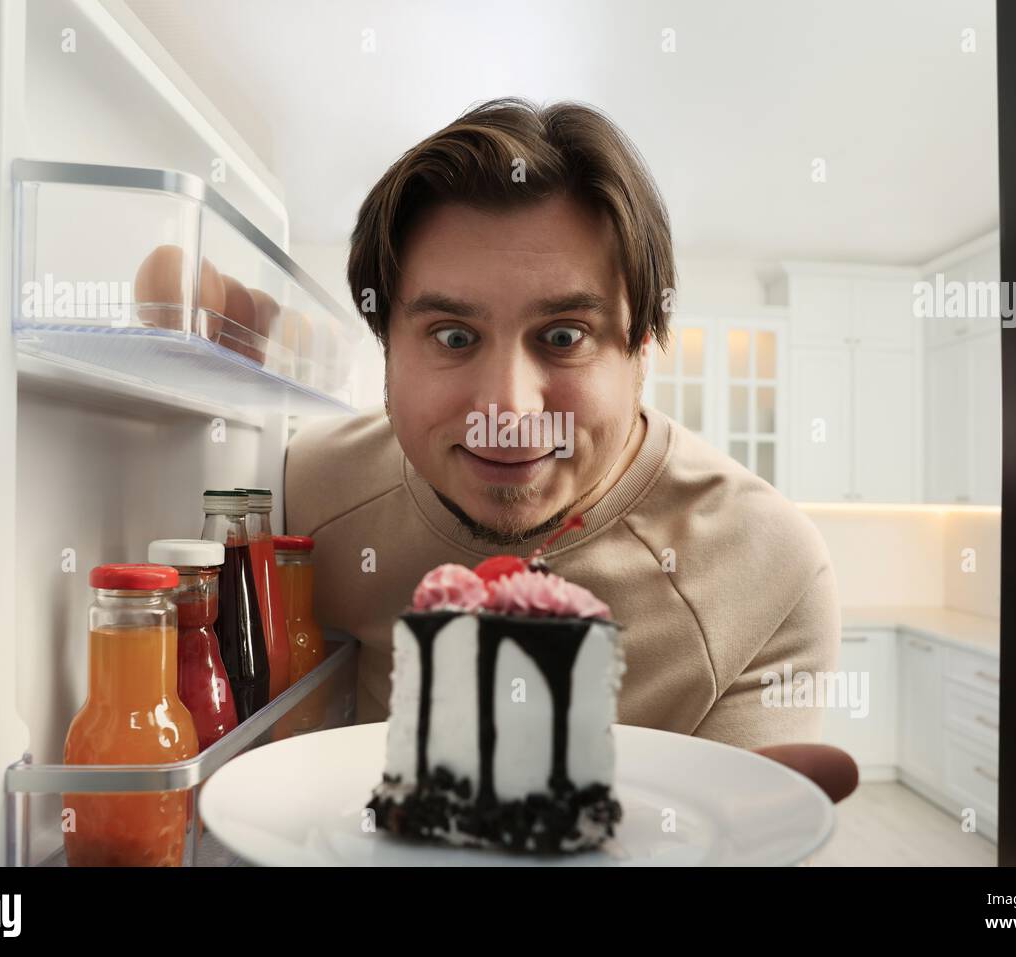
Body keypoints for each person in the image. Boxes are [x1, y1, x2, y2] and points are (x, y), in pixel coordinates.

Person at [284, 97, 848, 788]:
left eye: (563, 337)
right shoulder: (307, 493)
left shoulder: (767, 568)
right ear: (387, 351)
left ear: (643, 346)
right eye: (454, 337)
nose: (508, 409)